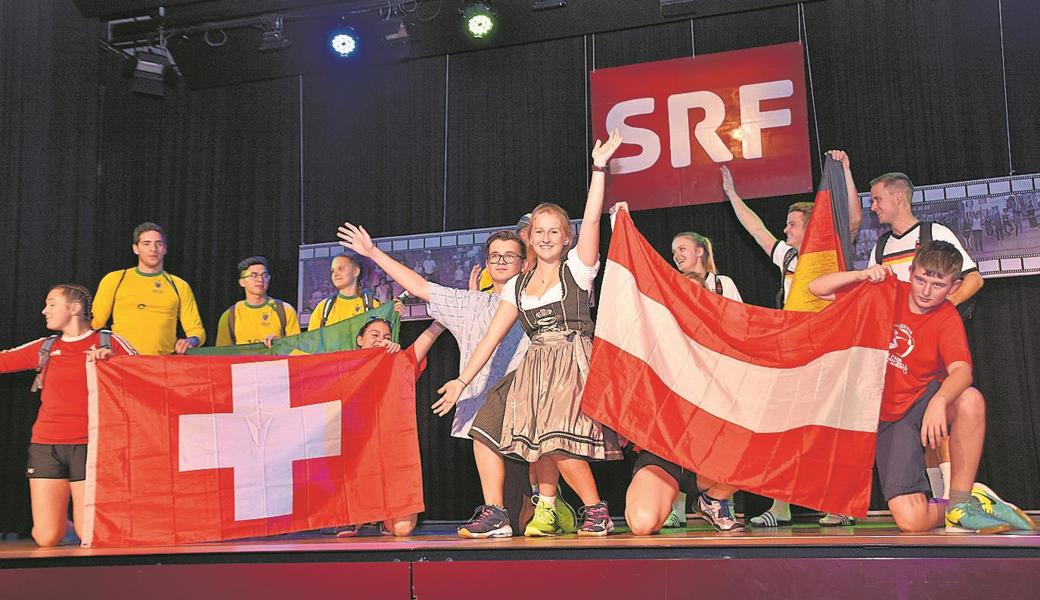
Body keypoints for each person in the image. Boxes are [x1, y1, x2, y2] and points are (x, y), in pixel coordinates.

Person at [434, 130, 625, 537]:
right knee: (486, 424)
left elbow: (592, 217)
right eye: (539, 232)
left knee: (555, 443)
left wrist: (600, 168)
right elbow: (491, 337)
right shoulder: (516, 287)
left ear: (566, 237)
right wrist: (461, 380)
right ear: (530, 239)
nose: (546, 237)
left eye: (554, 231)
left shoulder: (579, 270)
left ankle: (596, 509)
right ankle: (497, 514)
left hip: (571, 359)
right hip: (535, 366)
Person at [337, 225, 577, 538]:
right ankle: (504, 511)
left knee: (528, 510)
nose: (502, 261)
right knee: (511, 519)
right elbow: (421, 286)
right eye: (495, 257)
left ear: (523, 263)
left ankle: (551, 503)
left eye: (510, 256)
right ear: (488, 264)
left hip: (530, 410)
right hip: (486, 415)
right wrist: (372, 252)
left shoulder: (537, 299)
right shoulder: (468, 304)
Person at [809, 241, 1033, 534]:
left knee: (970, 399)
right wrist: (860, 276)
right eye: (921, 280)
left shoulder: (945, 318)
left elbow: (962, 371)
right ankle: (959, 508)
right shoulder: (886, 291)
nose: (927, 291)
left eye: (938, 284)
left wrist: (939, 401)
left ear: (953, 287)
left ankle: (962, 501)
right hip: (888, 416)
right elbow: (817, 288)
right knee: (911, 522)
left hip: (922, 400)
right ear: (910, 272)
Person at [722, 150, 862, 528]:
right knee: (786, 432)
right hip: (793, 353)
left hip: (831, 352)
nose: (785, 231)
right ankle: (780, 506)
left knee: (830, 431)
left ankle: (841, 503)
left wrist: (845, 172)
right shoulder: (787, 259)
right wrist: (732, 195)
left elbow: (851, 219)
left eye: (792, 224)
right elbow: (756, 230)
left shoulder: (835, 252)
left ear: (812, 225)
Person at [867, 172, 984, 501]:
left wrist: (939, 312)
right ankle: (936, 499)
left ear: (898, 197)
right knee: (917, 427)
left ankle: (955, 499)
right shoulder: (880, 247)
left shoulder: (935, 233)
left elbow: (973, 279)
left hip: (936, 349)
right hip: (899, 352)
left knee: (944, 414)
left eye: (877, 199)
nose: (873, 206)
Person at [625, 231, 746, 534]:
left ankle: (715, 499)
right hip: (665, 456)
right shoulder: (654, 344)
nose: (692, 306)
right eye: (684, 299)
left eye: (699, 300)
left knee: (768, 442)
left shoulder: (725, 355)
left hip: (709, 460)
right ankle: (672, 501)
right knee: (642, 524)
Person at [0, 284, 136, 546]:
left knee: (90, 535)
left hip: (91, 446)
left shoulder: (109, 342)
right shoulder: (46, 347)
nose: (44, 311)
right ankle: (65, 527)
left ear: (75, 308)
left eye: (52, 304)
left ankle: (83, 528)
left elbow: (147, 373)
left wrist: (114, 364)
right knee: (46, 537)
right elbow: (4, 360)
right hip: (46, 445)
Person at [335, 317, 445, 538]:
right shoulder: (341, 367)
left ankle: (384, 520)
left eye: (386, 337)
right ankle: (356, 515)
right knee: (345, 533)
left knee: (402, 530)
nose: (381, 340)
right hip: (357, 459)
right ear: (359, 340)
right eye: (374, 335)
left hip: (392, 454)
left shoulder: (399, 363)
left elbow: (433, 332)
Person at [92, 222, 206, 355]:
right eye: (146, 244)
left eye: (158, 244)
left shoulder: (179, 285)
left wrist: (191, 341)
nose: (153, 249)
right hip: (122, 363)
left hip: (162, 365)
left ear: (165, 249)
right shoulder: (115, 279)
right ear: (136, 248)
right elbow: (96, 322)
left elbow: (197, 330)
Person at [215, 256, 301, 347]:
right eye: (253, 275)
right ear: (242, 282)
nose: (260, 280)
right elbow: (222, 354)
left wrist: (279, 343)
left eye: (264, 275)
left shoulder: (285, 310)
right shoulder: (230, 315)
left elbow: (297, 349)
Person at [307, 253, 382, 331]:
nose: (335, 274)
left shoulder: (373, 305)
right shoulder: (323, 308)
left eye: (340, 269)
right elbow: (312, 341)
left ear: (356, 271)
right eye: (333, 271)